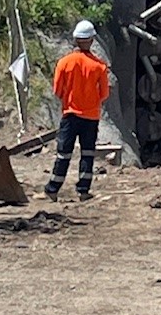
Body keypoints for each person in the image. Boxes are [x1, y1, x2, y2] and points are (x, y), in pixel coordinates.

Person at [45, 19, 111, 201]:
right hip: (91, 116)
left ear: (75, 39)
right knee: (88, 153)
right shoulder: (99, 66)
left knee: (63, 153)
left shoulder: (64, 63)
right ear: (91, 40)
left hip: (70, 115)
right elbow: (104, 93)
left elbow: (57, 90)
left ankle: (53, 189)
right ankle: (83, 190)